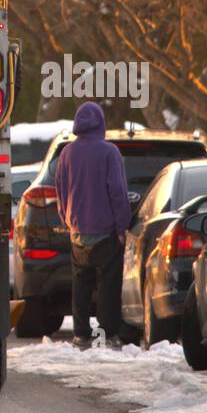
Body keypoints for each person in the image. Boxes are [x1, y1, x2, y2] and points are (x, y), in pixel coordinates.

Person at [54, 100, 132, 350]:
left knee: (81, 284)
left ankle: (80, 332)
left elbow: (60, 190)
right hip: (106, 232)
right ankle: (108, 334)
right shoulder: (110, 152)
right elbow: (118, 192)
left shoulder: (66, 153)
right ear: (101, 123)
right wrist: (123, 227)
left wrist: (67, 221)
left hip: (77, 231)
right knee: (108, 284)